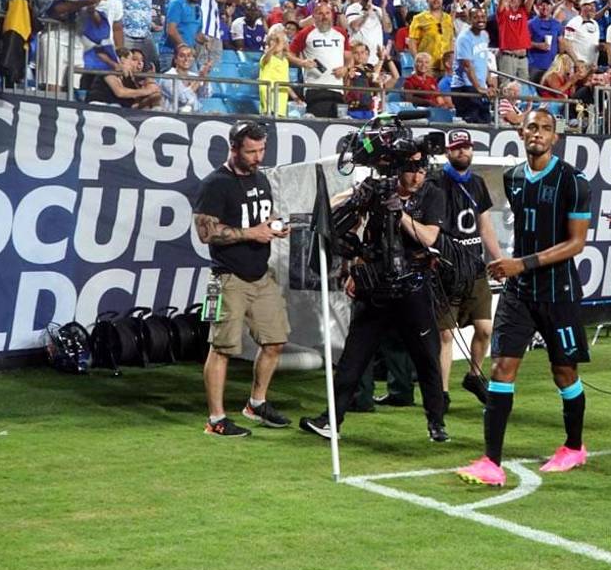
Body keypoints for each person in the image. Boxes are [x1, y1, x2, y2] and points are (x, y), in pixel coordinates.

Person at [457, 109, 592, 487]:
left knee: (564, 372)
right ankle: (491, 461)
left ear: (555, 138)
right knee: (502, 367)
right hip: (520, 292)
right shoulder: (513, 176)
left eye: (546, 129)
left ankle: (574, 447)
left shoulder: (574, 181)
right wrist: (509, 264)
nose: (538, 133)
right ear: (521, 132)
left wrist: (522, 263)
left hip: (558, 292)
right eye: (532, 127)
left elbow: (576, 243)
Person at [301, 150, 452, 443]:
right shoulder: (377, 191)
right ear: (398, 170)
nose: (416, 177)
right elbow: (333, 213)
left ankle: (436, 422)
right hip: (376, 289)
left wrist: (401, 214)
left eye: (421, 170)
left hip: (413, 288)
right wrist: (357, 195)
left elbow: (430, 238)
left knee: (426, 358)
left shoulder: (432, 194)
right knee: (353, 358)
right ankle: (331, 420)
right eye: (410, 170)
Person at [192, 121, 292, 437]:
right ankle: (216, 419)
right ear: (233, 148)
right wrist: (253, 233)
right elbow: (206, 233)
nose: (258, 157)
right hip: (227, 278)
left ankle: (256, 403)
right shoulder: (215, 184)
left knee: (275, 341)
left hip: (261, 276)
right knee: (221, 348)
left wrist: (274, 226)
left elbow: (261, 218)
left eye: (262, 149)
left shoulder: (261, 178)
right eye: (251, 151)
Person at [430, 130, 504, 410]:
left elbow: (485, 226)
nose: (463, 152)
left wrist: (498, 259)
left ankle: (474, 375)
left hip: (474, 267)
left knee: (485, 328)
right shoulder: (435, 182)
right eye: (457, 148)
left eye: (467, 147)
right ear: (447, 151)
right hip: (447, 268)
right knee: (445, 334)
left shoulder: (477, 183)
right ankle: (442, 393)